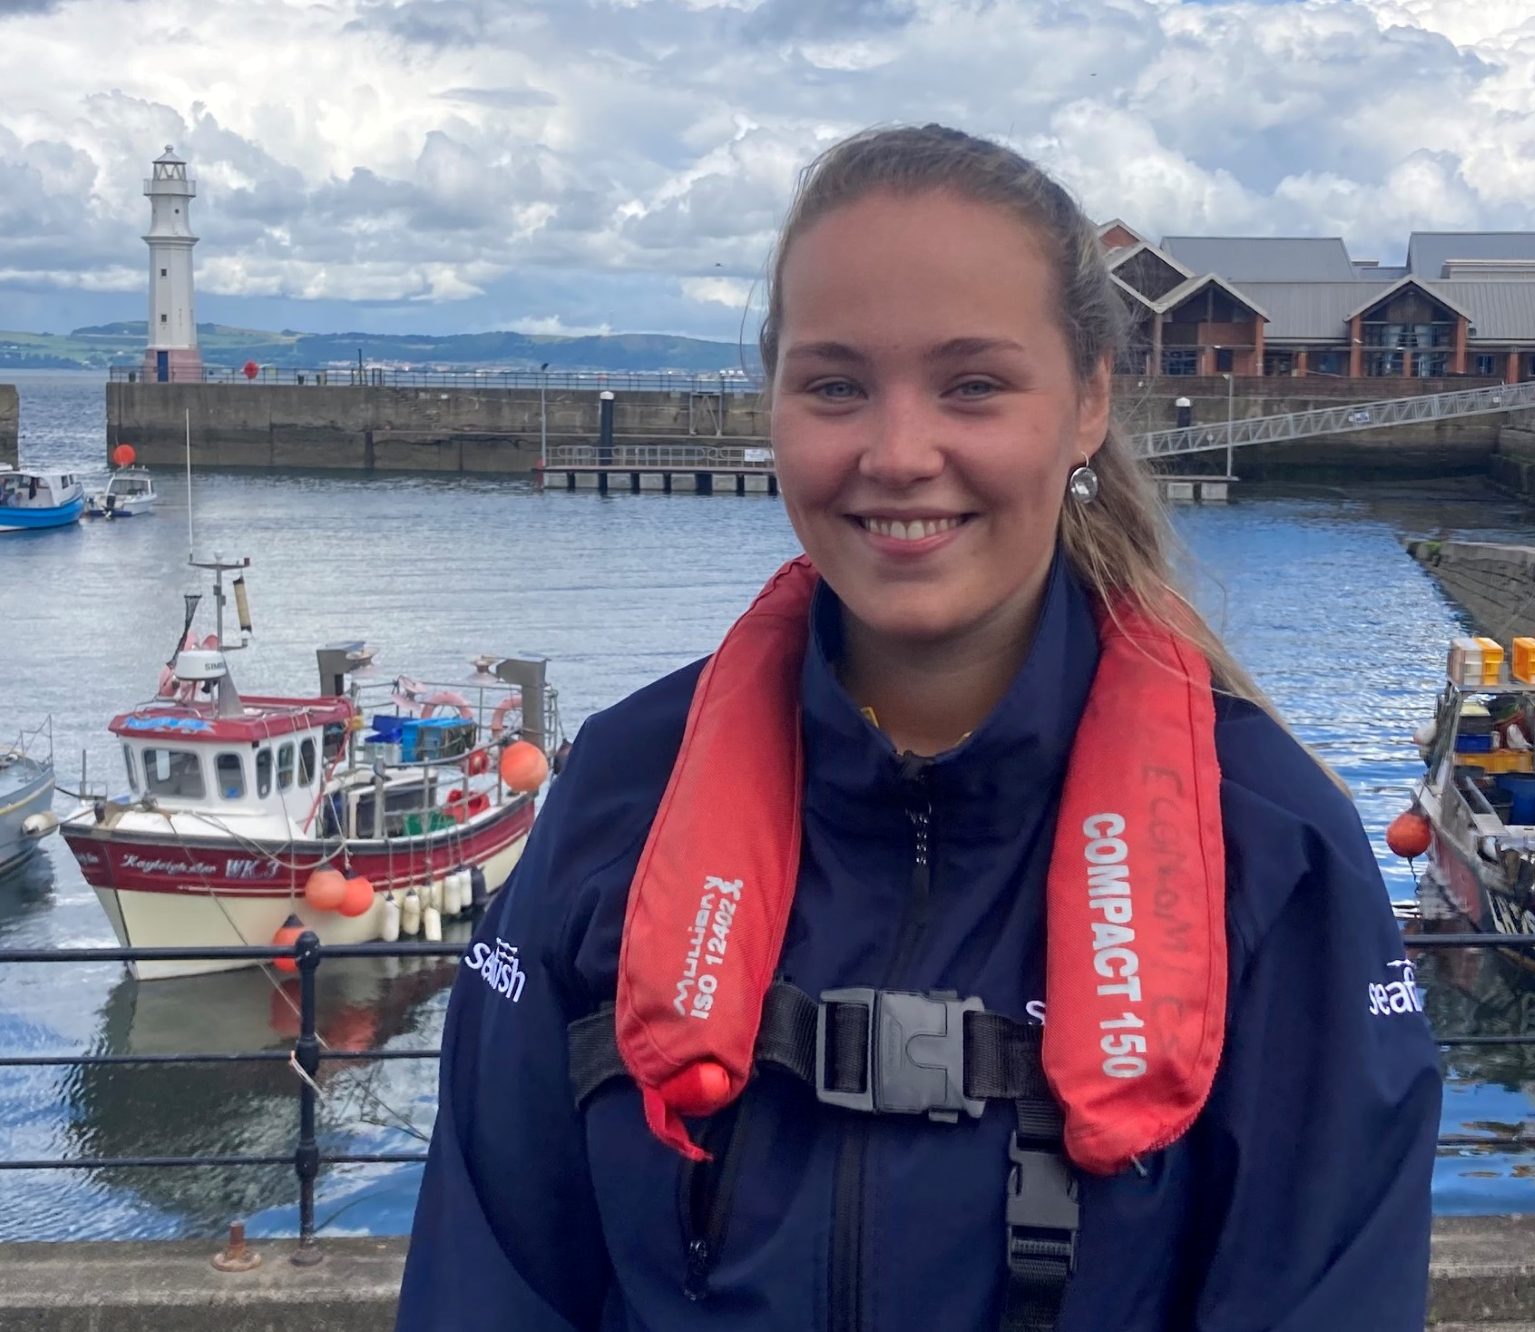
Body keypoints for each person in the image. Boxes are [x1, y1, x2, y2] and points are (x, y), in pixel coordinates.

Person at [397, 124, 1441, 1331]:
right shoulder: (622, 798)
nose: (897, 455)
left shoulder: (1269, 848)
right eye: (835, 385)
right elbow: (490, 1276)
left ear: (1089, 401)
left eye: (974, 386)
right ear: (775, 402)